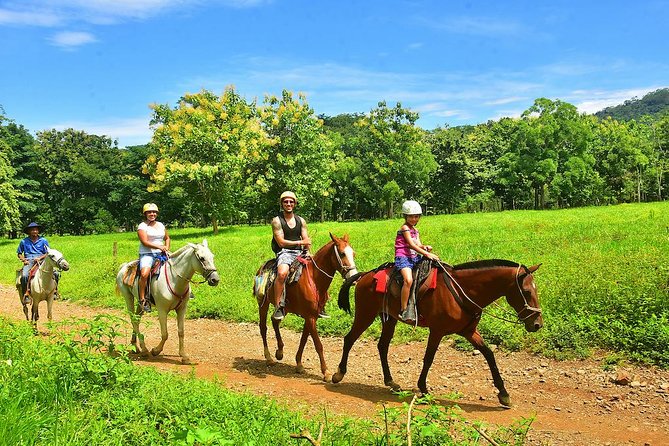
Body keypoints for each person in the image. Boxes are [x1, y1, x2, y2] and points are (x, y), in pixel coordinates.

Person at [270, 191, 322, 321]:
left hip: (300, 252)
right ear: (282, 204)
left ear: (295, 204)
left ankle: (320, 304)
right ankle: (278, 306)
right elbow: (281, 242)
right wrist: (300, 242)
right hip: (284, 252)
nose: (288, 204)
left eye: (291, 201)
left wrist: (307, 250)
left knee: (318, 271)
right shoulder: (277, 221)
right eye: (286, 201)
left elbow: (305, 238)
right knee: (282, 273)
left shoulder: (301, 220)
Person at [395, 200, 439, 322]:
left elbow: (418, 244)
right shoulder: (404, 228)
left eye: (416, 216)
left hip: (414, 257)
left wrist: (425, 247)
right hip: (403, 258)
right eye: (411, 216)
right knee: (408, 280)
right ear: (405, 216)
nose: (414, 219)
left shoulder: (416, 230)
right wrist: (426, 253)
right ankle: (403, 310)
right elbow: (410, 244)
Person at [137, 203, 170, 313]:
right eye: (149, 212)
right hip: (147, 254)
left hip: (161, 252)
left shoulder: (161, 225)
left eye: (154, 212)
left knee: (181, 264)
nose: (152, 214)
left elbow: (167, 238)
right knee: (144, 274)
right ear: (145, 214)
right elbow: (145, 242)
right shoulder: (142, 226)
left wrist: (166, 248)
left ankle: (187, 292)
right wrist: (159, 247)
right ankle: (142, 299)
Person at [17, 222, 53, 303]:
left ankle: (54, 292)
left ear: (38, 231)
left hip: (42, 260)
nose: (35, 231)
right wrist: (24, 260)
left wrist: (40, 258)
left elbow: (48, 252)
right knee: (25, 276)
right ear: (29, 231)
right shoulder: (24, 241)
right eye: (33, 230)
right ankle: (26, 294)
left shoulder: (43, 240)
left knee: (55, 273)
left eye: (36, 230)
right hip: (29, 261)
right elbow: (19, 254)